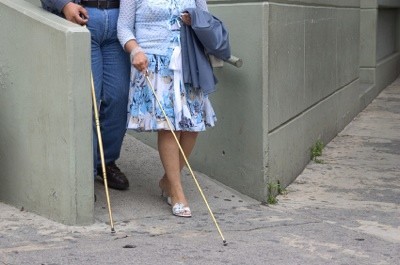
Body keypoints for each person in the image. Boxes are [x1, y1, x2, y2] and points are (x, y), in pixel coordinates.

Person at [117, 0, 217, 217]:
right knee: (168, 124)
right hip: (154, 61)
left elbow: (206, 19)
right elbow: (123, 27)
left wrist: (194, 20)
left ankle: (167, 180)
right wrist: (135, 50)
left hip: (189, 60)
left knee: (192, 126)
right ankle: (177, 191)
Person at [40, 0, 131, 190]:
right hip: (81, 17)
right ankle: (84, 172)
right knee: (86, 99)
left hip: (119, 20)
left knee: (119, 97)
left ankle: (105, 161)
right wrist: (64, 4)